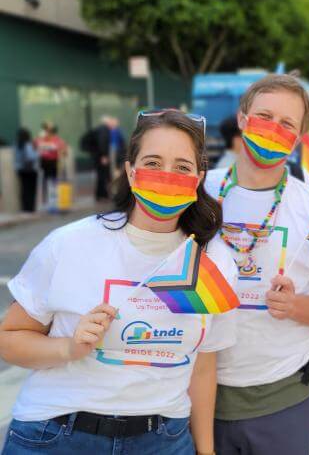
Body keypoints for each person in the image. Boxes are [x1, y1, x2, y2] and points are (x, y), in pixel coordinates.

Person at [0, 110, 237, 455]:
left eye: (182, 167)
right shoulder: (70, 243)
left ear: (199, 178)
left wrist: (206, 450)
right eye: (153, 162)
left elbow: (203, 368)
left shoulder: (212, 260)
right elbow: (9, 338)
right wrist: (68, 348)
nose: (166, 175)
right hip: (57, 434)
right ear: (129, 169)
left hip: (164, 441)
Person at [205, 74, 309, 455]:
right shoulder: (196, 191)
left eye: (287, 124)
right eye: (264, 116)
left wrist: (297, 307)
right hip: (196, 394)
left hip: (283, 399)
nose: (273, 129)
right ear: (242, 118)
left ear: (299, 137)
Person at [81, 116, 124, 201]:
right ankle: (103, 195)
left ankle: (102, 195)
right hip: (101, 157)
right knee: (103, 176)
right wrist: (104, 156)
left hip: (99, 156)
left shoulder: (102, 129)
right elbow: (103, 143)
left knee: (102, 175)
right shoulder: (104, 130)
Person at [34, 122, 67, 202]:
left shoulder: (56, 138)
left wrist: (49, 146)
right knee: (45, 179)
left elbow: (62, 147)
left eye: (49, 129)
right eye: (46, 129)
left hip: (53, 161)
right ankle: (46, 198)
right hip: (44, 161)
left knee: (53, 179)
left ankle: (53, 197)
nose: (48, 131)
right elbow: (36, 144)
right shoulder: (40, 138)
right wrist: (46, 145)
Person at [14, 128, 38, 213]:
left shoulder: (17, 145)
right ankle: (30, 208)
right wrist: (37, 152)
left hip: (21, 170)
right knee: (31, 190)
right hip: (30, 170)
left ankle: (24, 208)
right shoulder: (28, 144)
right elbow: (31, 157)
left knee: (24, 189)